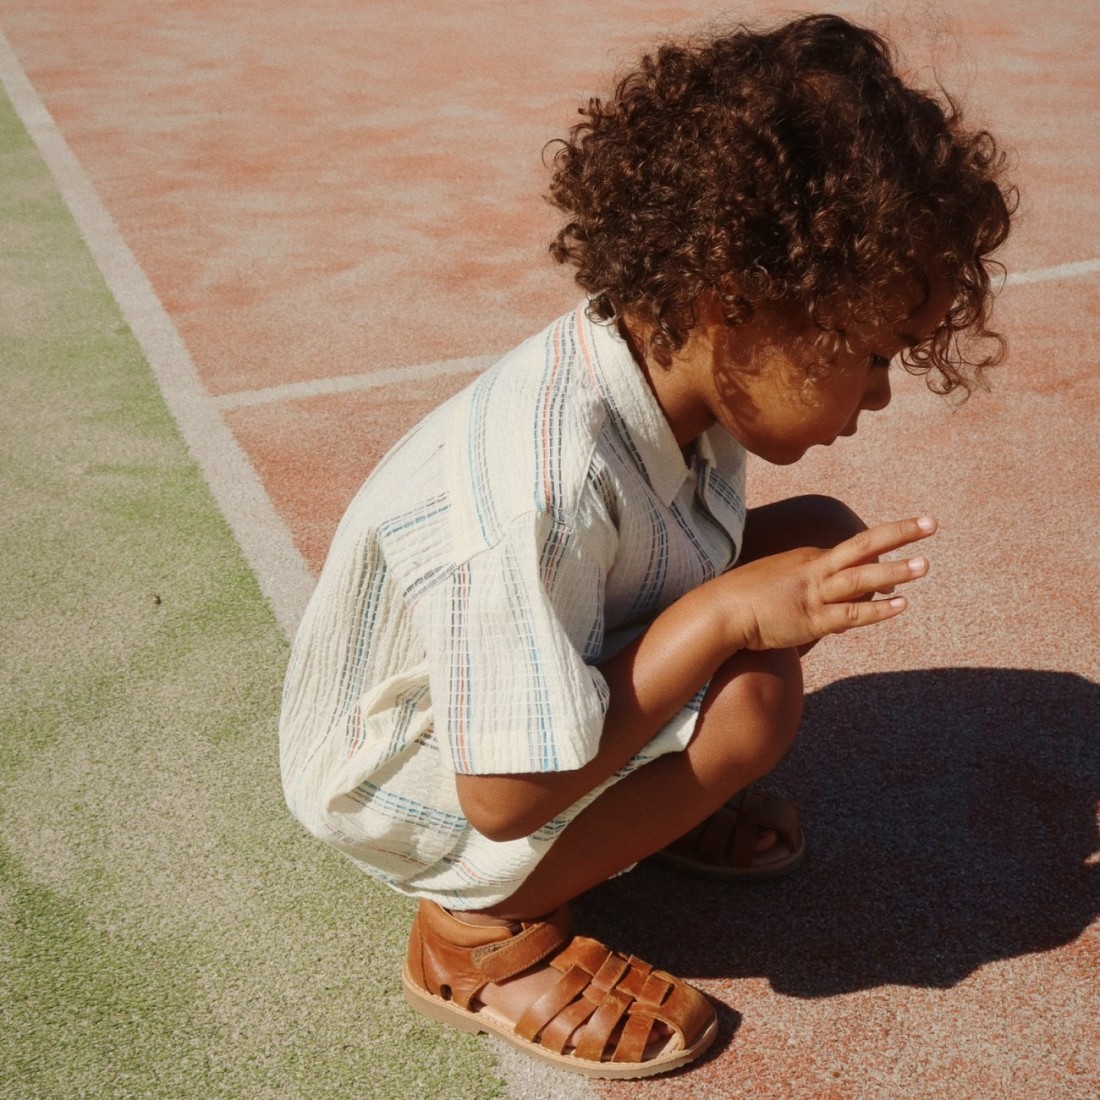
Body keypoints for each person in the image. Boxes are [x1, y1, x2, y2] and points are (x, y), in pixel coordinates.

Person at [279, 13, 1014, 1079]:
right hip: (414, 767)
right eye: (864, 354)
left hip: (505, 702)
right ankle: (479, 932)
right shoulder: (546, 482)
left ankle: (638, 811)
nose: (879, 393)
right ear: (734, 301)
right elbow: (502, 792)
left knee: (812, 540)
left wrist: (751, 600)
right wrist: (723, 615)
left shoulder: (672, 371)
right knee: (752, 701)